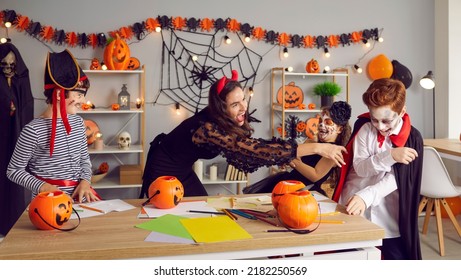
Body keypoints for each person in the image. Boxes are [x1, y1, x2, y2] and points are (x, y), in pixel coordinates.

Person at [140, 70, 347, 198]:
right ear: (221, 107)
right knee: (169, 219)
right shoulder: (208, 129)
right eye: (235, 104)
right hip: (163, 169)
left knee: (201, 208)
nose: (243, 108)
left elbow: (254, 145)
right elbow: (255, 150)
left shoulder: (223, 119)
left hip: (183, 170)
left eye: (243, 100)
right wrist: (319, 147)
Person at [333, 78, 423, 260]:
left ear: (402, 112)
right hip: (353, 205)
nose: (380, 127)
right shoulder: (365, 129)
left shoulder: (413, 138)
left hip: (389, 215)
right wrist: (391, 155)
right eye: (375, 119)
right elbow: (361, 168)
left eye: (387, 121)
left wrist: (367, 197)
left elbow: (397, 179)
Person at [7, 49, 100, 203]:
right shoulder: (33, 130)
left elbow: (84, 159)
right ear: (58, 94)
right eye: (78, 95)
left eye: (83, 95)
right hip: (48, 204)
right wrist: (43, 187)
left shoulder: (78, 123)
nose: (83, 101)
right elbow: (14, 171)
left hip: (81, 201)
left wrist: (85, 181)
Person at [242, 101, 352, 198]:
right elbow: (296, 155)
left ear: (340, 129)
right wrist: (292, 158)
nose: (321, 125)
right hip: (289, 181)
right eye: (320, 121)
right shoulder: (311, 143)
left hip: (305, 190)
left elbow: (315, 175)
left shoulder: (334, 153)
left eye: (328, 122)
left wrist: (291, 159)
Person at [0, 42, 34, 236]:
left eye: (11, 64)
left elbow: (27, 105)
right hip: (1, 136)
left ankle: (13, 222)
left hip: (17, 136)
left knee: (15, 177)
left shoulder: (22, 79)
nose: (8, 68)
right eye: (4, 63)